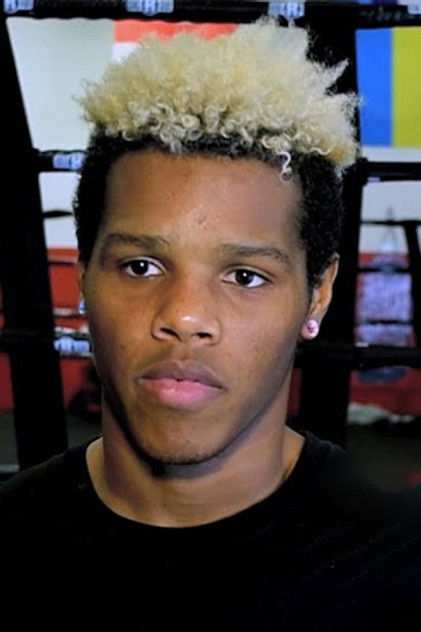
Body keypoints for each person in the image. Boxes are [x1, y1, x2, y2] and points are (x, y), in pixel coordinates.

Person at [1, 19, 420, 630]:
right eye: (141, 266)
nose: (185, 316)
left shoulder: (400, 565)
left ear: (318, 295)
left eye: (245, 276)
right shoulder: (9, 545)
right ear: (85, 274)